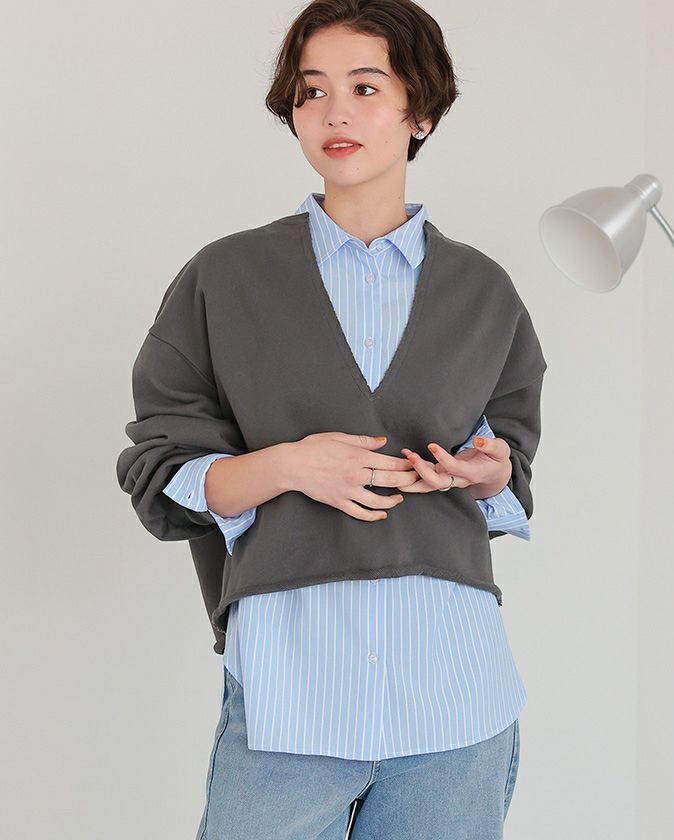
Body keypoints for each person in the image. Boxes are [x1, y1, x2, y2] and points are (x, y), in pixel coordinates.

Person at [117, 1, 546, 837]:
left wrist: (488, 471)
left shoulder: (484, 291)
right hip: (291, 694)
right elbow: (157, 470)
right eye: (312, 91)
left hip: (454, 699)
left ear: (421, 112)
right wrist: (289, 465)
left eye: (365, 87)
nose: (334, 112)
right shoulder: (224, 279)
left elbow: (511, 464)